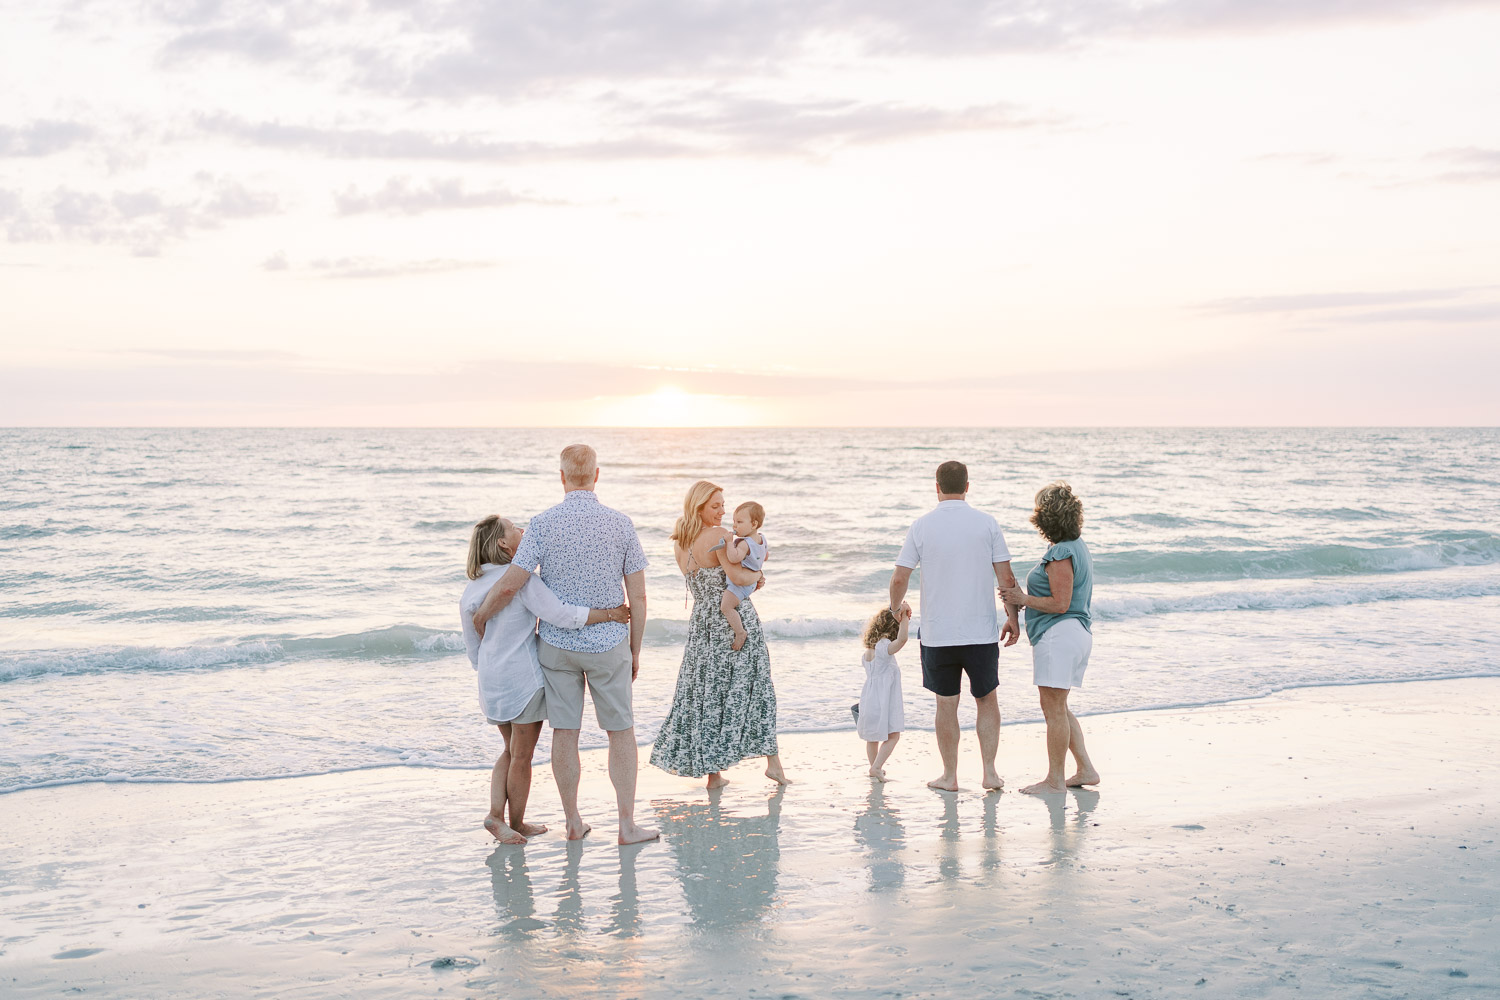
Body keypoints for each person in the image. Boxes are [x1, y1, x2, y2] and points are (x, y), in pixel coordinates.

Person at [471, 444, 658, 845]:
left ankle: (573, 822)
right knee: (620, 731)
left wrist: (482, 615)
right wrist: (636, 648)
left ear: (561, 477)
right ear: (596, 475)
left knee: (565, 732)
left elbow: (511, 582)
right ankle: (626, 826)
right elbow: (638, 597)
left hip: (556, 647)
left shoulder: (541, 524)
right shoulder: (621, 524)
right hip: (609, 644)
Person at [459, 515, 629, 844]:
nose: (523, 530)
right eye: (515, 528)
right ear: (503, 544)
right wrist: (609, 614)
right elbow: (561, 615)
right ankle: (512, 822)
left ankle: (498, 816)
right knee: (521, 755)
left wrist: (492, 669)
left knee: (508, 751)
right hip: (523, 679)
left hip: (492, 682)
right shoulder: (520, 580)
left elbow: (473, 650)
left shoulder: (472, 589)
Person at [888, 460, 1021, 792]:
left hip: (937, 634)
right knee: (987, 699)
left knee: (946, 704)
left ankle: (949, 777)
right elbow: (1006, 578)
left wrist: (894, 609)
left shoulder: (921, 526)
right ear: (967, 486)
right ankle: (990, 773)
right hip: (980, 633)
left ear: (936, 487)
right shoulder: (987, 524)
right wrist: (1013, 617)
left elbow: (899, 578)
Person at [650, 480, 791, 788]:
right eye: (715, 506)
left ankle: (714, 775)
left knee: (707, 694)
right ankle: (774, 765)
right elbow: (738, 575)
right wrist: (759, 576)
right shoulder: (719, 536)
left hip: (702, 623)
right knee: (756, 686)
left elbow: (700, 583)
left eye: (724, 506)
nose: (722, 512)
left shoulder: (679, 542)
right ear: (698, 506)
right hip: (732, 619)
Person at [998, 481, 1100, 795]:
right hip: (1073, 634)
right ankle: (1085, 768)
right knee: (1059, 707)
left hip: (1060, 634)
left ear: (1046, 517)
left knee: (1053, 709)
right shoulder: (1075, 546)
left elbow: (1060, 603)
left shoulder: (1061, 553)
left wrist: (1021, 598)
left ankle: (1055, 780)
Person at [856, 603, 911, 781]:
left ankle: (874, 767)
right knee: (894, 735)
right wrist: (905, 620)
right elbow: (902, 640)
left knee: (872, 737)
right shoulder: (884, 647)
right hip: (883, 700)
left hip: (869, 699)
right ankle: (877, 767)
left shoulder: (868, 652)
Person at [716, 500, 768, 652]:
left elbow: (733, 558)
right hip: (751, 581)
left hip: (741, 584)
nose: (734, 526)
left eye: (739, 522)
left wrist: (729, 543)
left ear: (754, 524)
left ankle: (740, 632)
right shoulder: (762, 539)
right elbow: (765, 555)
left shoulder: (744, 543)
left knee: (726, 606)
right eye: (733, 522)